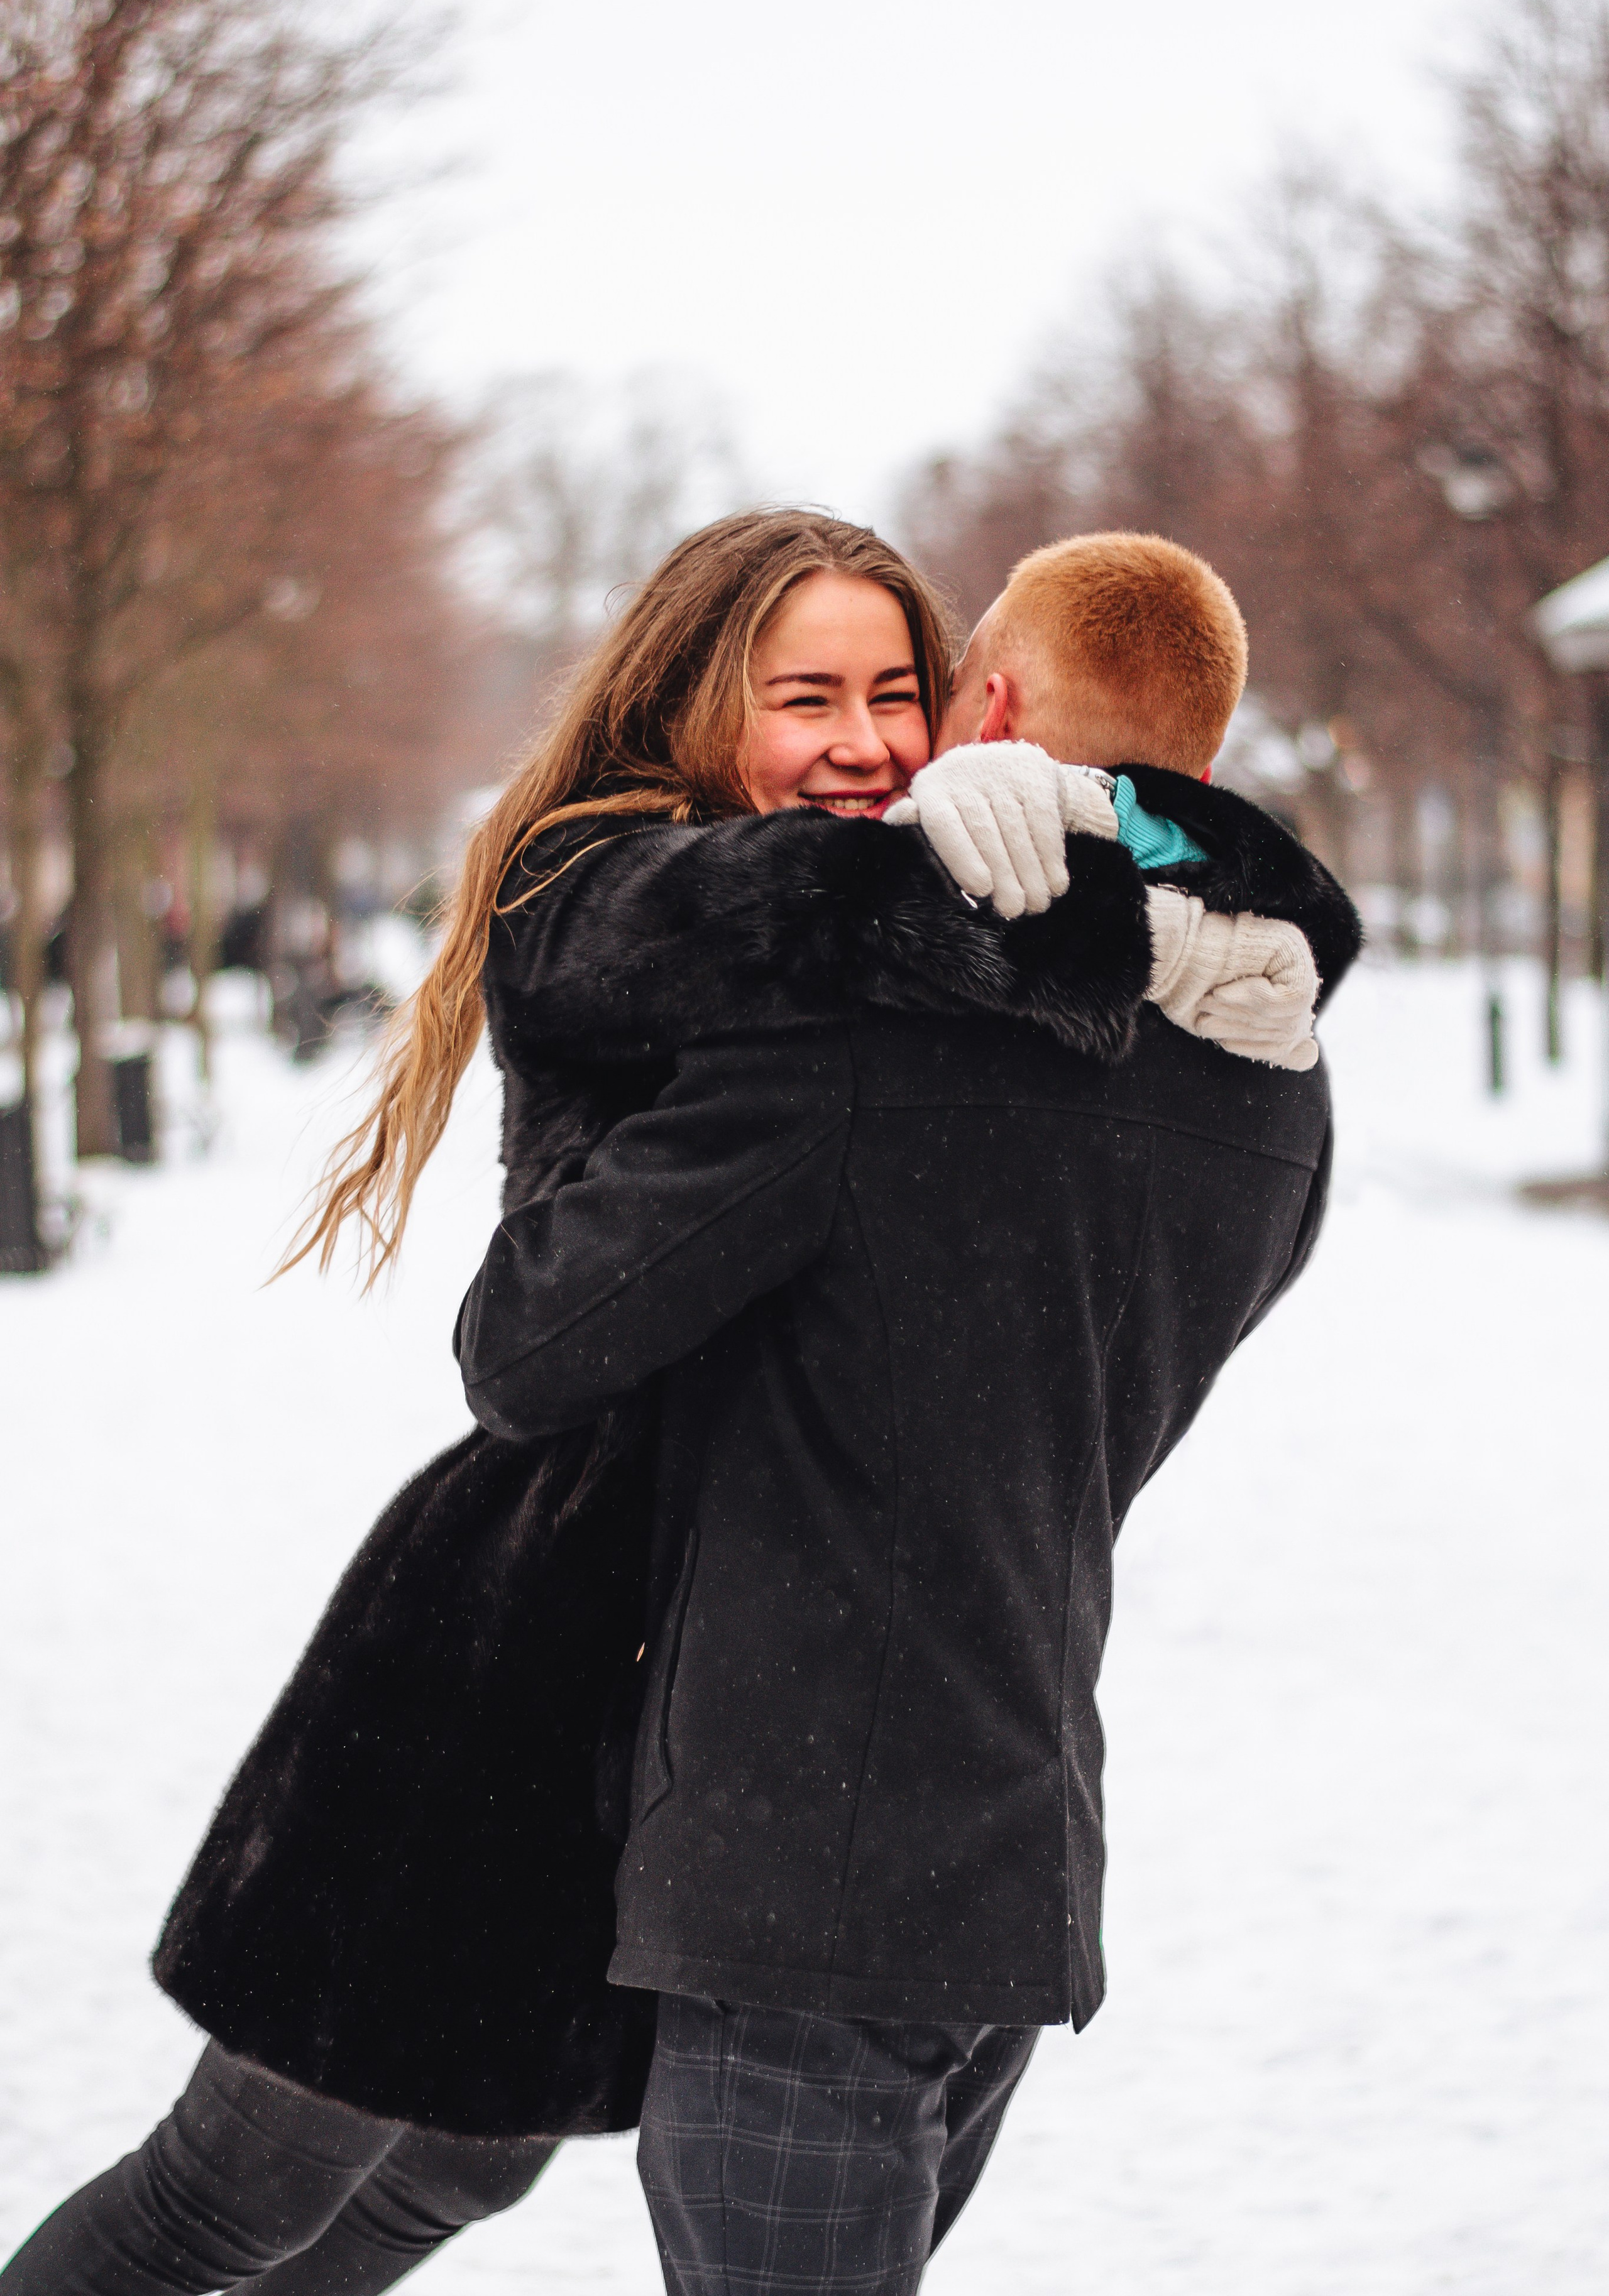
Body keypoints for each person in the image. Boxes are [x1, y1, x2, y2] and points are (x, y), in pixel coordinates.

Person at [1, 515, 1353, 2293]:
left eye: (902, 691)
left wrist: (1051, 907)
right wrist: (1102, 889)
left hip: (749, 1757)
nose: (873, 740)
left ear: (986, 704)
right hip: (538, 1684)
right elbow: (585, 1108)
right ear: (699, 707)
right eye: (811, 696)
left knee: (436, 2184)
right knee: (249, 2188)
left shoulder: (933, 1002)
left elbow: (588, 1319)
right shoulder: (1209, 1055)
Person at [449, 529, 1361, 2293]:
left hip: (804, 1880)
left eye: (922, 693)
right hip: (1008, 1848)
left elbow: (526, 1347)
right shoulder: (1278, 1089)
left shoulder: (869, 1040)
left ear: (997, 708)